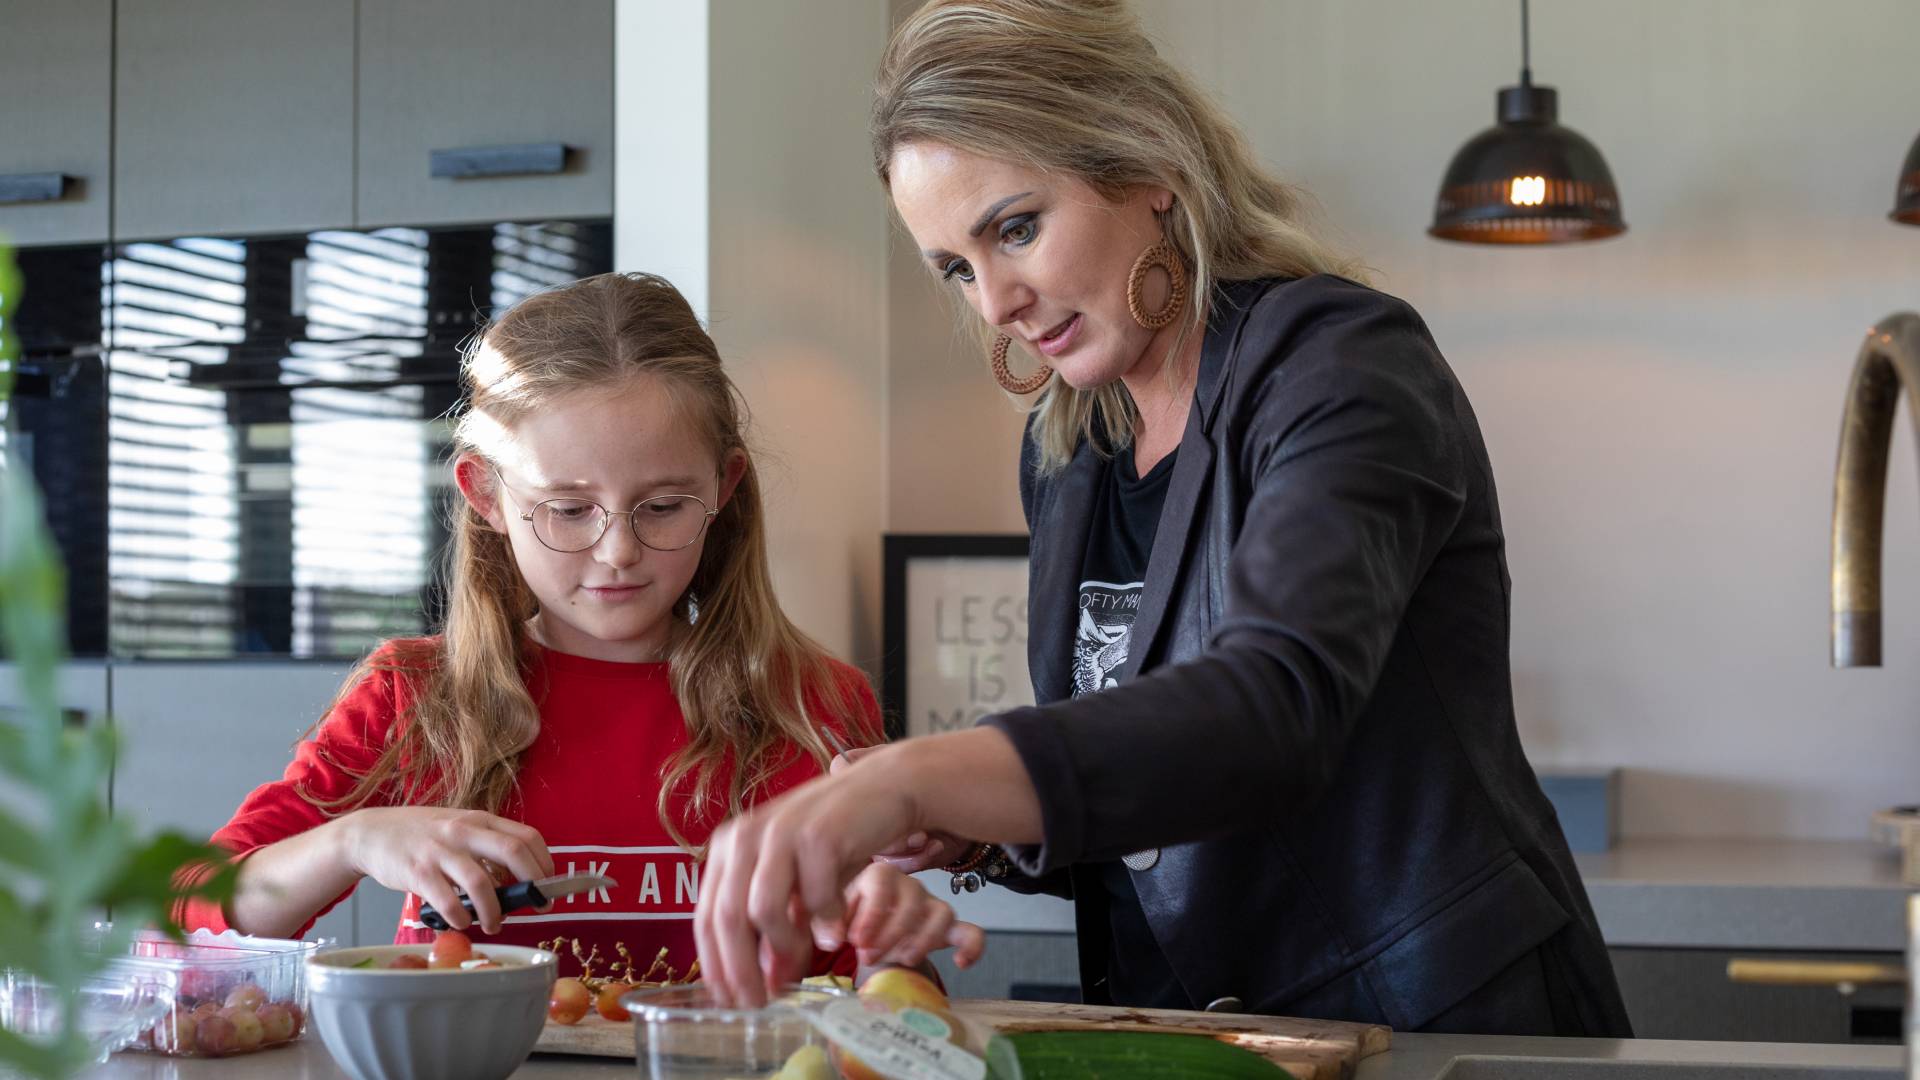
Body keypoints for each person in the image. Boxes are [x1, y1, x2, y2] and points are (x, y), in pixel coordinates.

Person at [692, 0, 1632, 1037]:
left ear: (1149, 167)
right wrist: (969, 827)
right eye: (957, 267)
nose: (994, 301)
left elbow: (1273, 706)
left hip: (1430, 1026)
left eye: (1016, 228)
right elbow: (1150, 801)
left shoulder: (1340, 362)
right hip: (1206, 1038)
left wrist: (921, 776)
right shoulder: (1071, 452)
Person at [176, 272, 983, 981]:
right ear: (486, 496)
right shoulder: (411, 696)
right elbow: (185, 909)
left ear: (724, 486)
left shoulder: (810, 701)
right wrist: (350, 841)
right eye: (568, 509)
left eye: (662, 506)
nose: (618, 551)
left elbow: (877, 992)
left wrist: (890, 947)